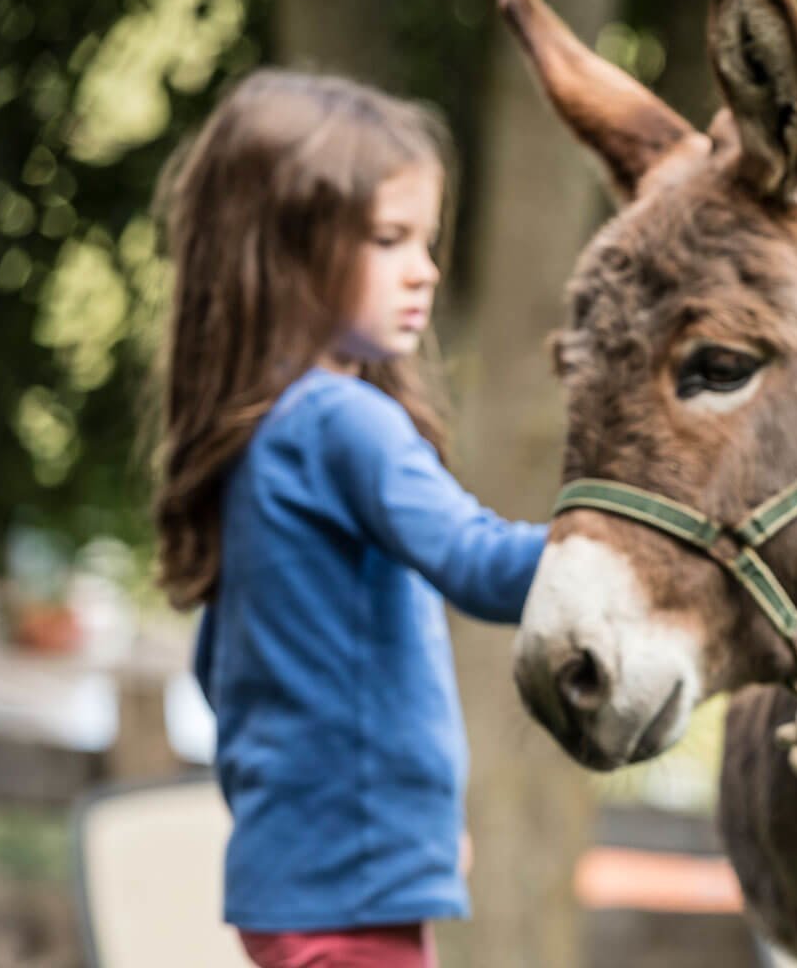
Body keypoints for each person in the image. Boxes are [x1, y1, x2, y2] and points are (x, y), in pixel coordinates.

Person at [148, 69, 546, 968]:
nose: (426, 269)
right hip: (350, 898)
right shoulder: (342, 422)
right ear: (284, 252)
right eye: (389, 239)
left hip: (293, 884)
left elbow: (225, 668)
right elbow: (480, 563)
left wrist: (406, 823)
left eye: (427, 240)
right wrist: (627, 545)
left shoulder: (262, 436)